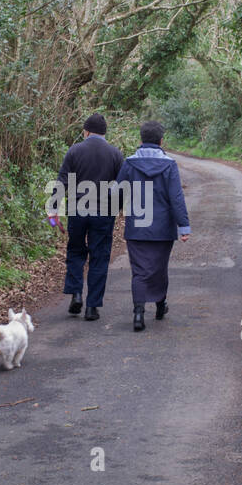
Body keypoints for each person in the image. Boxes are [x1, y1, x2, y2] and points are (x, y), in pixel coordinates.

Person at [115, 120, 190, 332]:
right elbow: (176, 197)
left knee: (139, 271)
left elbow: (117, 193)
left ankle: (138, 313)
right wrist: (183, 226)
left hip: (136, 226)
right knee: (158, 267)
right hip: (163, 228)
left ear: (140, 140)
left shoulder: (129, 163)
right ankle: (159, 306)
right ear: (161, 141)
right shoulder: (169, 164)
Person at [48, 113, 124, 320]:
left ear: (86, 131)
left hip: (78, 211)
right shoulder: (115, 154)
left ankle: (76, 295)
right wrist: (116, 210)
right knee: (99, 257)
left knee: (75, 252)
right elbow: (121, 186)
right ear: (104, 133)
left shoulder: (75, 151)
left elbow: (62, 180)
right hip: (103, 213)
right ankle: (92, 307)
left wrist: (53, 208)